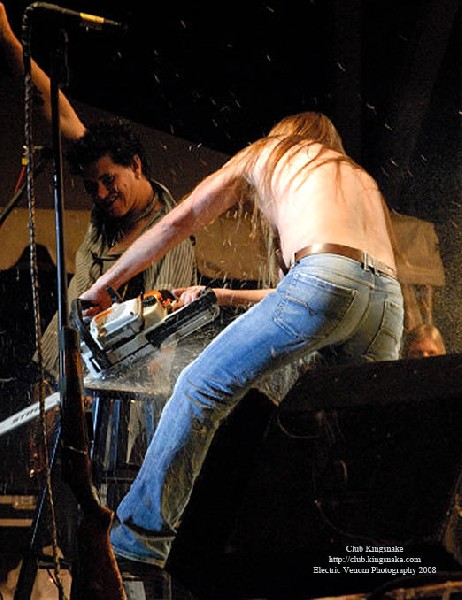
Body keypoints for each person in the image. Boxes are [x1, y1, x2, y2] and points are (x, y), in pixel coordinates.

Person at [78, 111, 404, 572]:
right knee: (354, 435)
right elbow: (339, 283)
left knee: (199, 387)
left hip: (325, 281)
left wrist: (104, 286)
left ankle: (137, 540)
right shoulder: (357, 177)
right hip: (385, 302)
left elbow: (180, 221)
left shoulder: (267, 153)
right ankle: (370, 559)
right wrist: (221, 294)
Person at [0, 2, 197, 381]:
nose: (102, 194)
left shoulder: (172, 234)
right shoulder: (105, 196)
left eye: (109, 181)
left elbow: (164, 331)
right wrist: (7, 38)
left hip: (118, 385)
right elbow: (54, 107)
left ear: (136, 165)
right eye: (92, 188)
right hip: (58, 367)